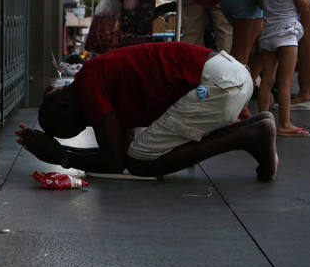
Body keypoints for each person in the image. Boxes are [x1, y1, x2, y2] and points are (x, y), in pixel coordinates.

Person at [15, 42, 278, 181]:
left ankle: (250, 135)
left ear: (65, 104)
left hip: (216, 86)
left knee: (142, 163)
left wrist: (61, 156)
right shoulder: (99, 79)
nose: (91, 124)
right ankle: (254, 128)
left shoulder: (87, 85)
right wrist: (64, 153)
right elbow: (116, 152)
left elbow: (117, 162)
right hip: (229, 75)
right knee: (140, 154)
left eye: (82, 122)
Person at [252, 0, 310, 135]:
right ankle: (285, 123)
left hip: (268, 34)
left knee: (267, 81)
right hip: (287, 35)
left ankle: (261, 120)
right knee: (285, 82)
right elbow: (304, 7)